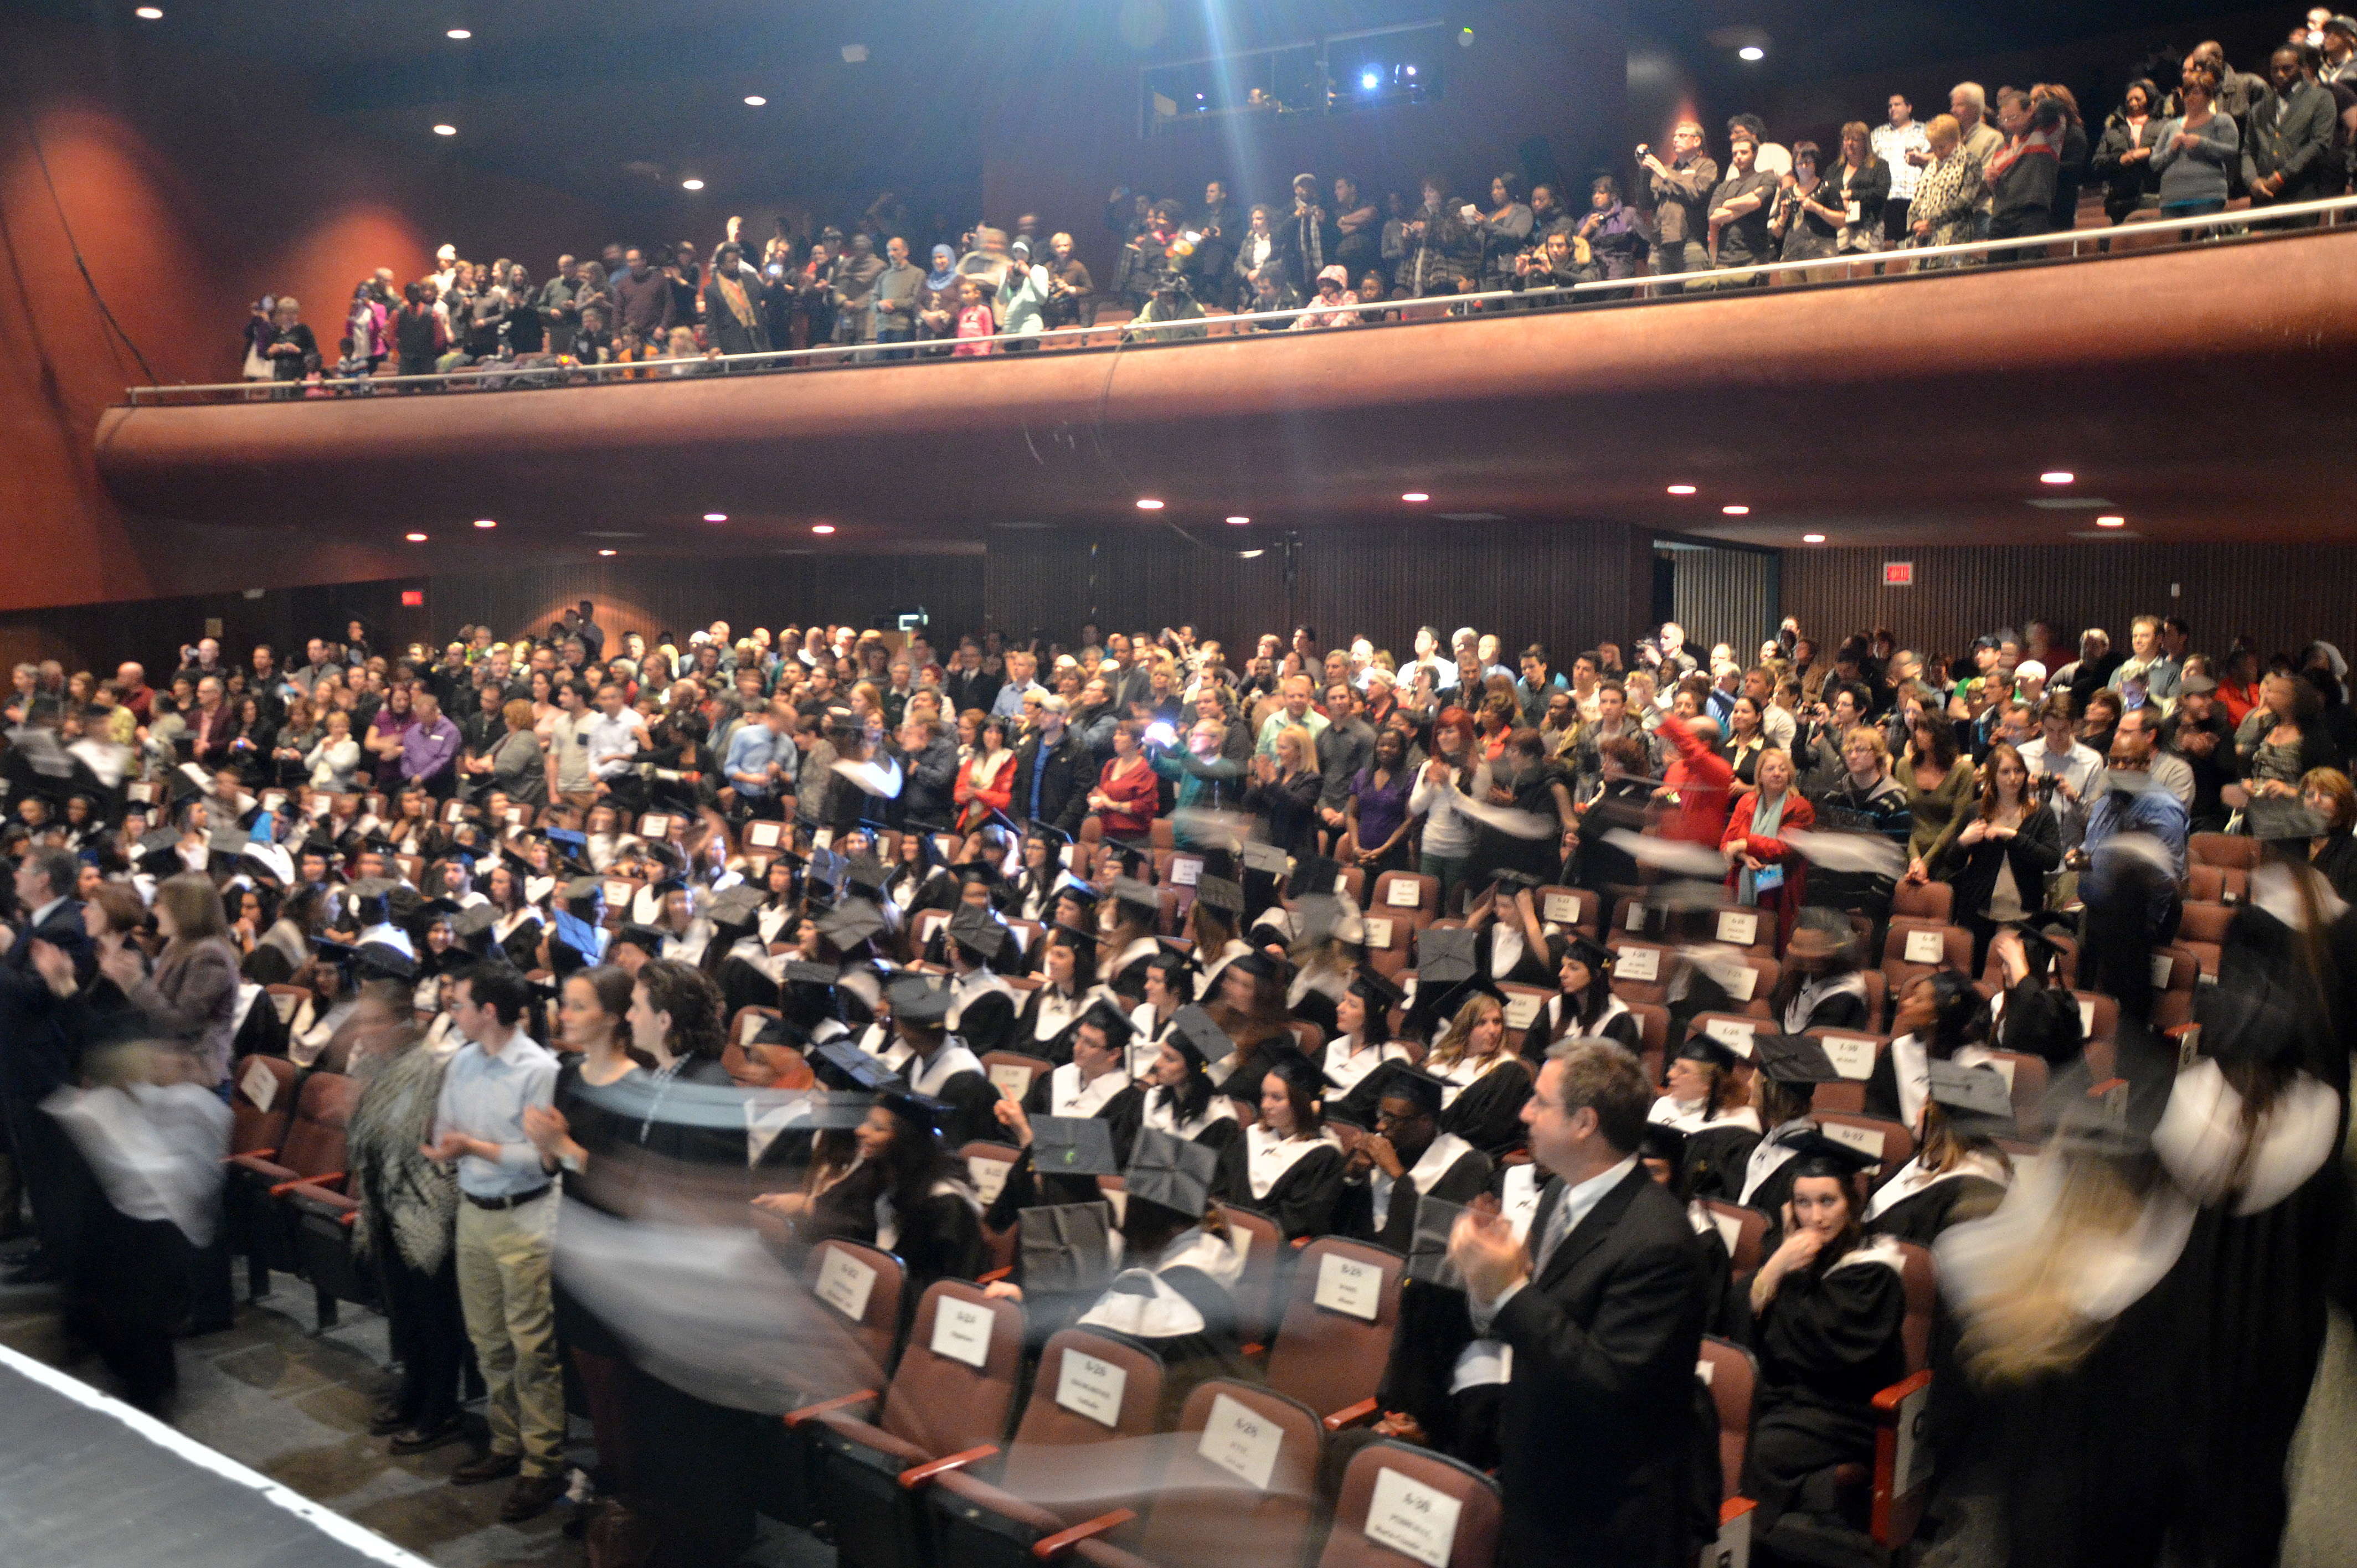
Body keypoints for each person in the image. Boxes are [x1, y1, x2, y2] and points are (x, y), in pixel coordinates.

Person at [1445, 1040, 1706, 1568]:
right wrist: (1487, 1283)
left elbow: (1609, 1383)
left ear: (1585, 1122)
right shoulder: (1561, 1194)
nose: (1524, 1113)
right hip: (1538, 1477)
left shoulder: (1659, 1241)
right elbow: (1543, 1325)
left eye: (1540, 1102)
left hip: (1602, 1513)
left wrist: (1510, 1290)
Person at [420, 963, 566, 1521]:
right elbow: (448, 1131)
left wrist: (472, 1148)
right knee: (488, 1342)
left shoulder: (538, 1069)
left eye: (458, 1004)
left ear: (488, 1011)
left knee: (532, 1348)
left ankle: (542, 1462)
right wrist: (451, 1149)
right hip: (474, 1212)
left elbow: (543, 1160)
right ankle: (506, 1445)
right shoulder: (461, 1060)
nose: (450, 1013)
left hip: (524, 1214)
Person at [1739, 1135, 1908, 1535]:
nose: (1814, 1217)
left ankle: (1744, 1551)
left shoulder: (1875, 1271)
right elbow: (1742, 1315)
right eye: (1802, 1202)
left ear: (1851, 1203)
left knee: (1757, 1451)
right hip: (1790, 1398)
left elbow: (1818, 1347)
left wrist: (1784, 1273)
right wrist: (1777, 1265)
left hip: (1844, 1410)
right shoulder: (1797, 1254)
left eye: (1827, 1201)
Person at [341, 981, 466, 1454]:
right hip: (384, 1201)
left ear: (402, 1022)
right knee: (404, 1312)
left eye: (374, 1022)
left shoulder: (433, 1065)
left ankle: (441, 1408)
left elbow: (421, 1134)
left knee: (433, 1314)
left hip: (424, 1205)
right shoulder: (373, 1066)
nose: (364, 1031)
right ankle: (412, 1392)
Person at [1337, 1065, 1493, 1252]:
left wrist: (1397, 1174)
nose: (1380, 1126)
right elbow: (1342, 1223)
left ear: (1425, 1122)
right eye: (1381, 1115)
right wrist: (1351, 1177)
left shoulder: (1465, 1164)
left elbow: (1440, 1237)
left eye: (1392, 1119)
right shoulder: (1377, 1148)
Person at [1943, 741, 2063, 968]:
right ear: (1993, 776)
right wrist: (1963, 842)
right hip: (1979, 911)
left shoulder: (2041, 813)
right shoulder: (1976, 811)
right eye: (2005, 772)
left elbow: (2051, 859)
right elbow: (1951, 861)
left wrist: (2013, 836)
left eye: (2018, 771)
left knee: (2012, 975)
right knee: (1976, 974)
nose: (2013, 778)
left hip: (2023, 913)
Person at [1722, 748, 1813, 947]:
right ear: (1760, 777)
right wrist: (1744, 856)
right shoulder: (1746, 801)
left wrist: (1745, 844)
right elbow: (1727, 843)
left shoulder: (1800, 807)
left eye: (1783, 769)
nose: (1777, 773)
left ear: (1790, 774)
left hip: (1780, 887)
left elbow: (1785, 848)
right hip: (1741, 882)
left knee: (1769, 945)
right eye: (1770, 769)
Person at [2152, 63, 2241, 223]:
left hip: (2208, 198)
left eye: (2197, 93)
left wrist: (2202, 144)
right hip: (2171, 200)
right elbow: (2154, 163)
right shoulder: (2171, 126)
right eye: (2187, 93)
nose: (2190, 98)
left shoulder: (2221, 121)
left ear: (2209, 97)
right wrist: (2171, 150)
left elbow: (2231, 152)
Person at [1640, 120, 1720, 284]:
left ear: (1697, 141)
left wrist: (1666, 177)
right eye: (1675, 136)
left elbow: (1696, 193)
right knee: (1663, 306)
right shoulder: (1665, 170)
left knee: (1695, 302)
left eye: (1682, 136)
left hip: (1691, 245)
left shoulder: (1707, 166)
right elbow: (1646, 203)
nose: (1676, 139)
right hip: (1660, 247)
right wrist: (1644, 173)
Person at [2092, 79, 2166, 224]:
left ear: (2149, 99)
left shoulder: (2164, 125)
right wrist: (2120, 160)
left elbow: (2172, 151)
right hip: (2120, 203)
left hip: (2155, 197)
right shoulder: (2113, 129)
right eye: (2129, 100)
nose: (2133, 103)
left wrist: (2149, 152)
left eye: (2138, 99)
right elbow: (2097, 164)